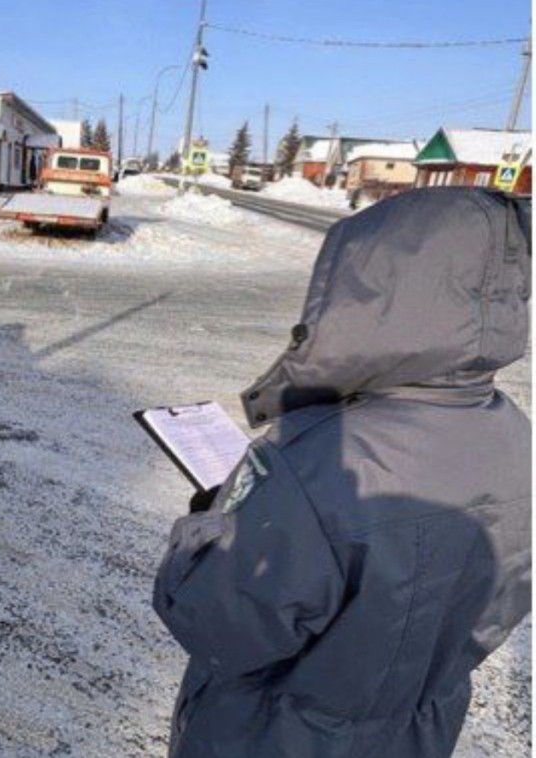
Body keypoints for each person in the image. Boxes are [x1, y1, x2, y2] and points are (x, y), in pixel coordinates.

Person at [154, 187, 531, 758]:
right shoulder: (518, 438)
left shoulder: (320, 458)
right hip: (418, 734)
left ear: (371, 294)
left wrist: (209, 526)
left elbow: (213, 623)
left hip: (275, 739)